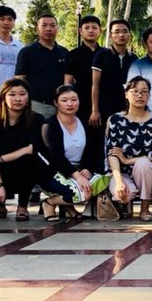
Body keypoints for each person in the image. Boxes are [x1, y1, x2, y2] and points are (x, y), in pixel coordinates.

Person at [0, 78, 43, 221]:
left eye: (22, 94)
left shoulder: (36, 120)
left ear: (28, 97)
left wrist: (1, 158)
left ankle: (23, 206)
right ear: (3, 97)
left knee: (29, 160)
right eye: (12, 94)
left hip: (21, 166)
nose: (18, 99)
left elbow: (32, 150)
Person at [105, 76, 152, 222]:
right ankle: (124, 204)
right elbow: (112, 153)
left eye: (144, 92)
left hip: (146, 172)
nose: (140, 95)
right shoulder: (115, 120)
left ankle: (145, 208)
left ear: (149, 96)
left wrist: (127, 160)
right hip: (122, 173)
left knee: (143, 164)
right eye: (135, 91)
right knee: (124, 195)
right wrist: (119, 180)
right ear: (126, 94)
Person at [39, 84, 102, 221]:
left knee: (104, 182)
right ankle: (49, 203)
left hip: (79, 170)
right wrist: (77, 176)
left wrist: (87, 168)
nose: (70, 104)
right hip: (55, 171)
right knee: (81, 194)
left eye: (74, 99)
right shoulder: (49, 126)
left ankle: (67, 206)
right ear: (56, 103)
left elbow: (91, 150)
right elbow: (56, 157)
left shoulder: (85, 124)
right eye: (64, 100)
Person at [14, 13, 68, 119]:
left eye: (52, 25)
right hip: (36, 105)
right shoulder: (27, 52)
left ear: (57, 28)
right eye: (44, 25)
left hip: (61, 106)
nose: (48, 29)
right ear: (37, 29)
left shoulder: (64, 52)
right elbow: (20, 80)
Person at [91, 19, 137, 128]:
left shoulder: (134, 58)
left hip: (128, 109)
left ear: (129, 35)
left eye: (125, 31)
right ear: (111, 36)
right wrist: (95, 110)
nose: (121, 35)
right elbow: (95, 84)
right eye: (117, 32)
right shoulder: (102, 55)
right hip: (106, 108)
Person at [64, 14, 102, 125]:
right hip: (80, 105)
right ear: (80, 31)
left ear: (100, 31)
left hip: (103, 103)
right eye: (87, 28)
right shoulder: (72, 55)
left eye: (94, 28)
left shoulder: (106, 54)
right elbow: (68, 82)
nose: (91, 30)